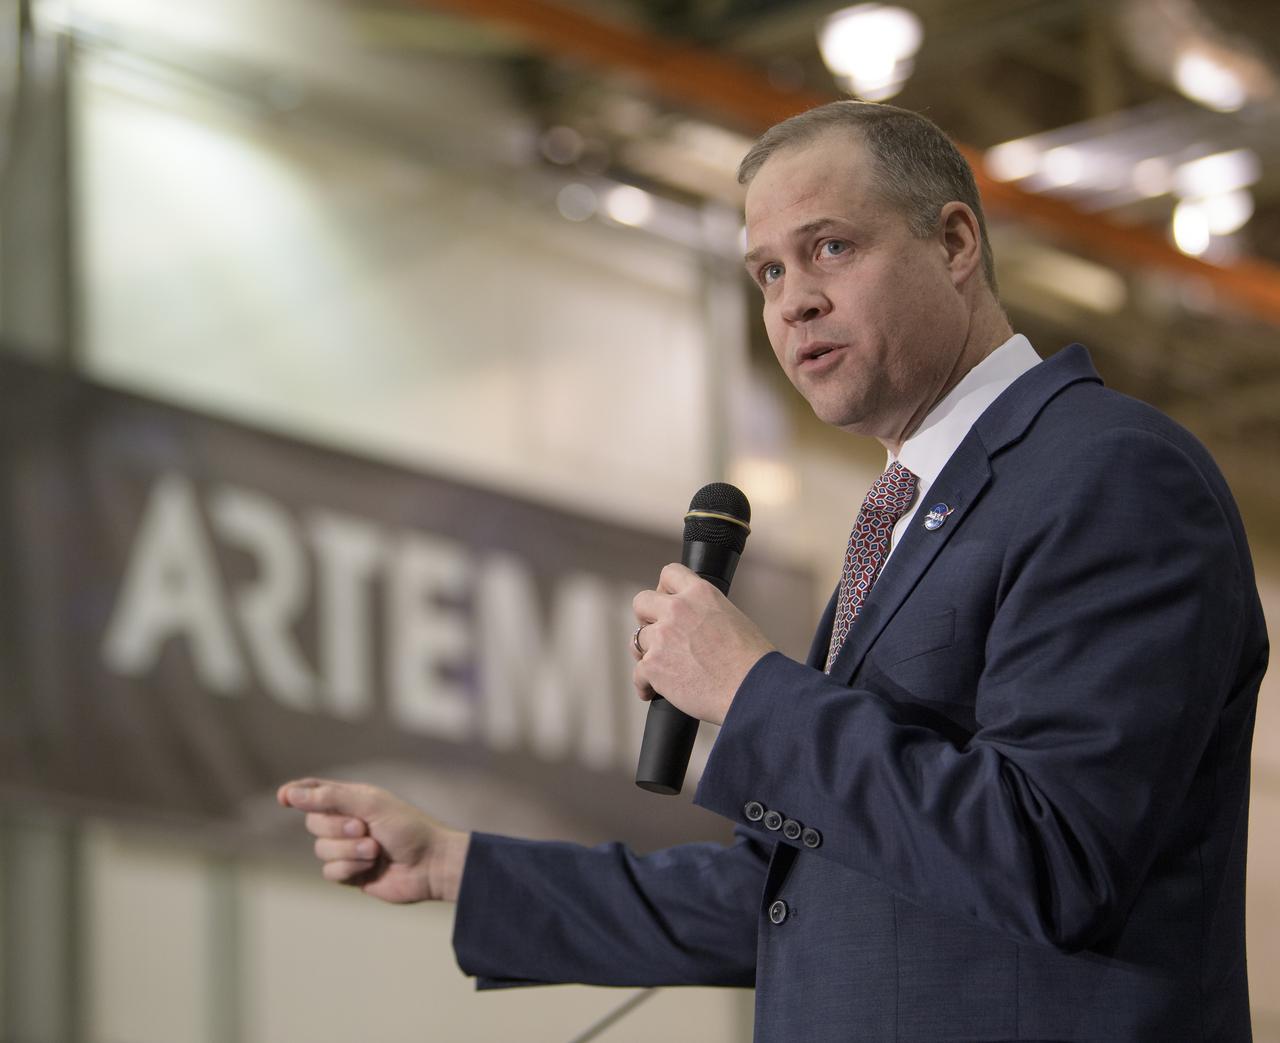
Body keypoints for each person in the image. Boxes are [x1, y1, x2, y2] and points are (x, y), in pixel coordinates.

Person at [279, 101, 1267, 1041]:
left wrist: (750, 689)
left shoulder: (1107, 472)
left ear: (955, 243)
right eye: (764, 272)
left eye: (829, 246)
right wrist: (459, 863)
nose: (794, 298)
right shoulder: (909, 515)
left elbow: (1048, 852)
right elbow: (796, 894)